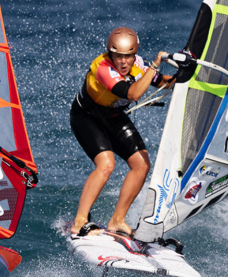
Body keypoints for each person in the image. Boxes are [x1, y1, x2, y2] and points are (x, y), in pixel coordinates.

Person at [69, 27, 175, 237]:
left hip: (114, 117)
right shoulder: (103, 68)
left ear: (134, 55)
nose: (124, 62)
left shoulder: (139, 64)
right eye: (118, 56)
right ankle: (80, 222)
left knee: (142, 164)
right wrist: (155, 64)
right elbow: (133, 93)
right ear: (111, 54)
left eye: (128, 56)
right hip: (87, 117)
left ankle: (117, 220)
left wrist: (183, 75)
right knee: (107, 164)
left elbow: (161, 82)